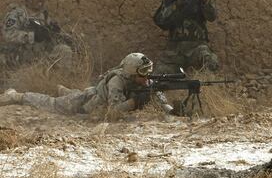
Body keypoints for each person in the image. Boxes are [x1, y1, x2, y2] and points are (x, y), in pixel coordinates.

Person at [0, 53, 173, 116]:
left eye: (148, 72)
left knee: (79, 93)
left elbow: (161, 101)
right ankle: (17, 95)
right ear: (131, 73)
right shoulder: (117, 81)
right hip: (85, 104)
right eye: (143, 73)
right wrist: (135, 102)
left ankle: (65, 91)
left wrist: (169, 108)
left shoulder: (142, 80)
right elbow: (113, 110)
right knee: (52, 104)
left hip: (92, 94)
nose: (147, 77)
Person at [153, 0, 219, 74]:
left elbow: (212, 17)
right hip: (175, 51)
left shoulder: (200, 0)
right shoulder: (170, 3)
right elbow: (160, 21)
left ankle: (205, 86)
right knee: (160, 73)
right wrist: (177, 5)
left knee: (210, 61)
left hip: (196, 48)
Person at [1, 0, 72, 69]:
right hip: (23, 56)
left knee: (64, 50)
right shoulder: (17, 14)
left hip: (42, 54)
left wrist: (55, 33)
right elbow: (8, 35)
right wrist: (32, 36)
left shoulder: (44, 16)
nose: (40, 0)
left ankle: (61, 80)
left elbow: (50, 36)